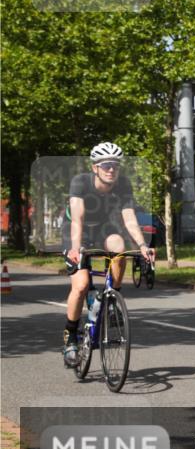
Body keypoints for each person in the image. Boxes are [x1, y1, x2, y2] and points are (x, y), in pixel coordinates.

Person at [61, 142, 153, 367]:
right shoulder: (81, 183)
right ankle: (70, 336)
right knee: (81, 285)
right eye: (106, 165)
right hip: (76, 232)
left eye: (115, 165)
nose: (111, 169)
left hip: (103, 228)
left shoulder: (122, 185)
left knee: (119, 246)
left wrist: (142, 245)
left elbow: (129, 218)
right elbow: (78, 219)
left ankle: (112, 297)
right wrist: (75, 248)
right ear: (95, 168)